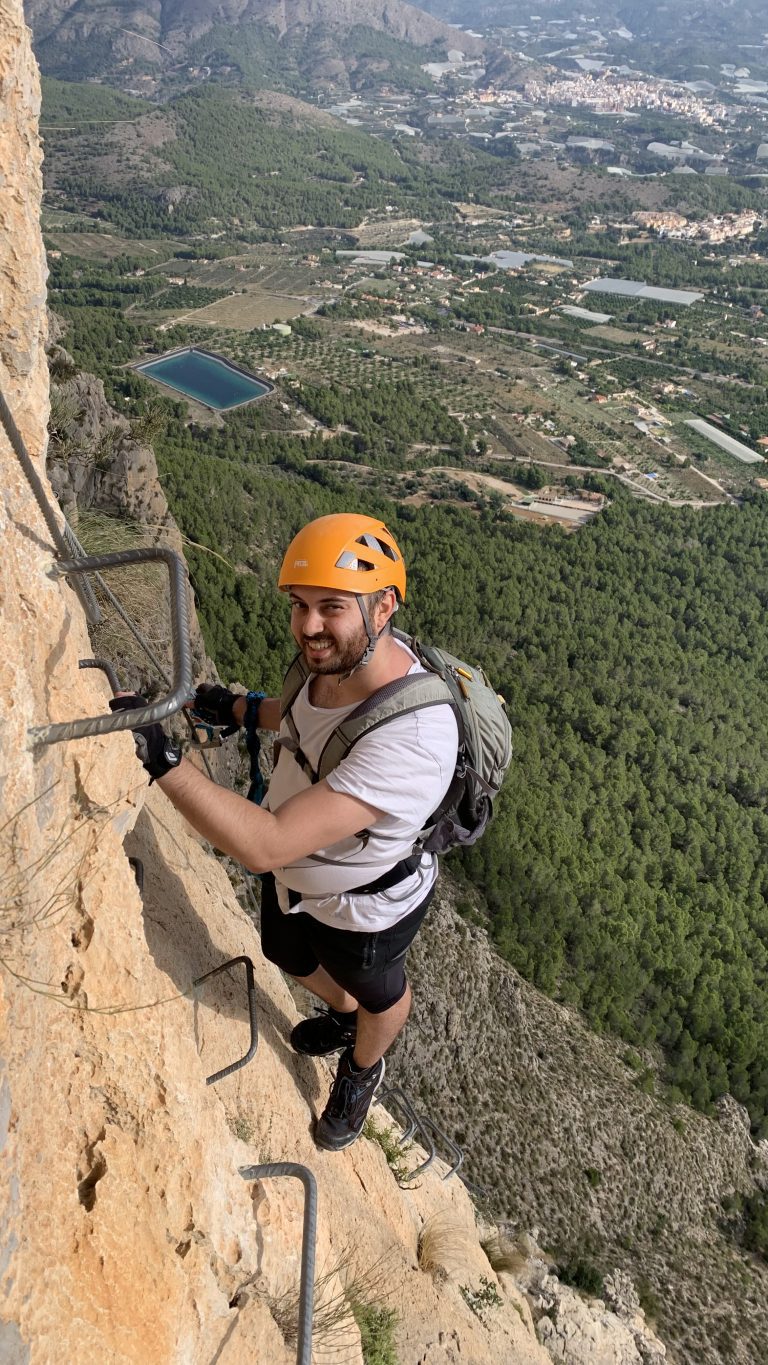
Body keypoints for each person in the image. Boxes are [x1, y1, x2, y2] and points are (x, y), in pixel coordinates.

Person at [112, 513, 459, 1151]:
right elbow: (304, 714)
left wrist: (162, 758)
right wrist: (240, 708)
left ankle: (363, 1067)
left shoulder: (415, 738)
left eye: (330, 606)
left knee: (381, 994)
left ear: (384, 606)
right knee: (287, 955)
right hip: (300, 878)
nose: (308, 627)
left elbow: (266, 842)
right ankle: (345, 1016)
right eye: (299, 606)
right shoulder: (341, 654)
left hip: (368, 904)